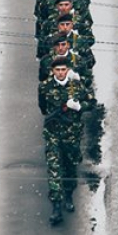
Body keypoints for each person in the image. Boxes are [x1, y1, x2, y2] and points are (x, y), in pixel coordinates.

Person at [37, 57, 95, 225]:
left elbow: (91, 102)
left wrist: (78, 107)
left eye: (63, 70)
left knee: (70, 166)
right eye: (57, 70)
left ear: (67, 70)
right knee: (54, 168)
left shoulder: (76, 86)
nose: (61, 73)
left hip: (72, 134)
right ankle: (56, 206)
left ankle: (68, 194)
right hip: (53, 133)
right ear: (52, 71)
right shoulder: (45, 86)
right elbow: (42, 107)